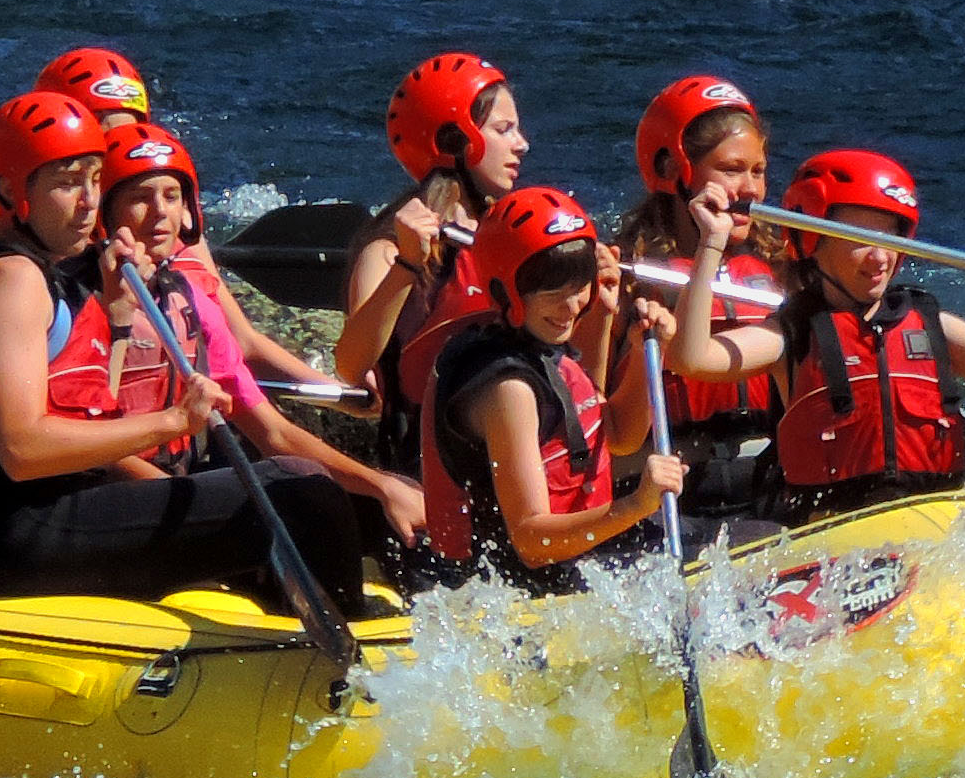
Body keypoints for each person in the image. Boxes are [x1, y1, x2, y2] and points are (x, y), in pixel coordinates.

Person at [0, 91, 375, 606]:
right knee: (303, 496)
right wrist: (174, 422)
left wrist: (117, 316)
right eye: (67, 183)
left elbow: (89, 409)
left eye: (94, 179)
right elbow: (22, 450)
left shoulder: (68, 273)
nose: (89, 203)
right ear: (7, 189)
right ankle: (350, 657)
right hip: (16, 526)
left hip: (73, 501)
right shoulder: (10, 279)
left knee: (310, 494)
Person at [663, 147, 965, 513]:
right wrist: (712, 242)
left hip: (931, 519)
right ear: (812, 240)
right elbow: (693, 358)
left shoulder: (931, 326)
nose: (879, 257)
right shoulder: (793, 333)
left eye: (888, 239)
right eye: (859, 241)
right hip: (832, 532)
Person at [88, 126, 419, 543]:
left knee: (360, 504)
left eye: (171, 197)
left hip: (175, 480)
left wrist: (380, 485)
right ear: (106, 212)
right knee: (298, 505)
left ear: (188, 208)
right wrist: (191, 502)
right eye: (139, 198)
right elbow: (90, 447)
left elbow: (273, 432)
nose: (159, 213)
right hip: (110, 497)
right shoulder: (84, 300)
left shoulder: (190, 300)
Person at [422, 186, 678, 590]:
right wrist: (635, 505)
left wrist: (652, 353)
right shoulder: (509, 390)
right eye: (552, 292)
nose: (572, 305)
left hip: (573, 562)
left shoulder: (540, 346)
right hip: (508, 591)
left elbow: (617, 437)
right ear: (505, 290)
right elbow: (531, 542)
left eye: (579, 287)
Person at [596, 73, 782, 542]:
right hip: (664, 499)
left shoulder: (781, 269)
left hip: (764, 486)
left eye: (758, 170)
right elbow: (590, 405)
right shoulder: (627, 276)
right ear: (673, 169)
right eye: (731, 169)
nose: (750, 189)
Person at [330, 50, 521, 419]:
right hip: (425, 457)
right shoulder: (387, 249)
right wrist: (407, 265)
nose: (521, 144)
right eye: (503, 130)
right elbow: (350, 367)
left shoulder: (503, 234)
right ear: (454, 141)